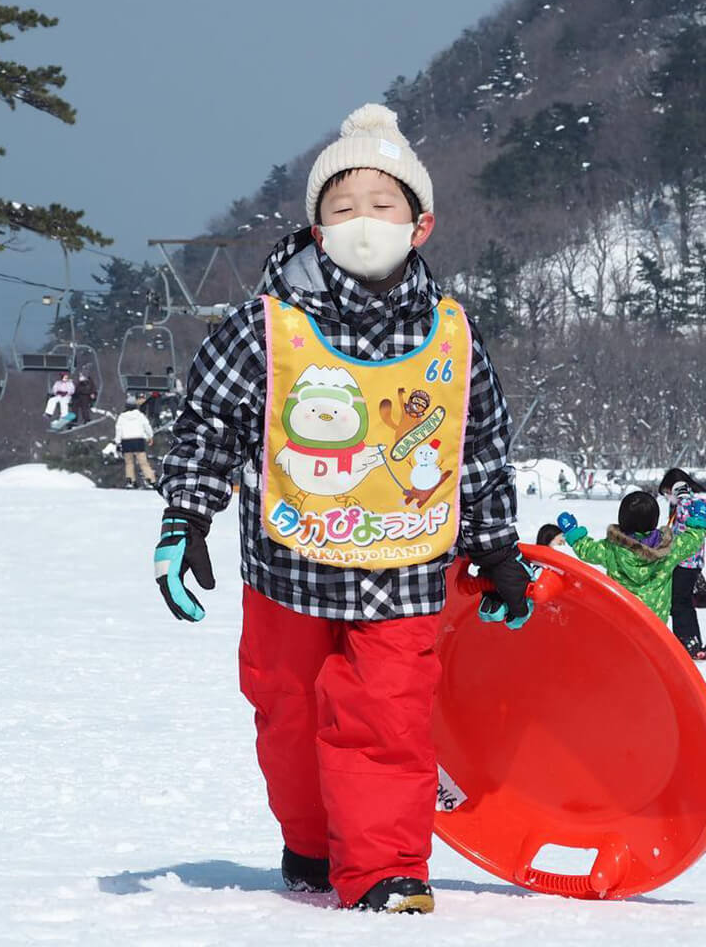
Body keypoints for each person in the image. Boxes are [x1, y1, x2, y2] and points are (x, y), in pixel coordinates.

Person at [154, 104, 526, 914]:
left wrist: (498, 551)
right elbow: (209, 422)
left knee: (387, 720)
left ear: (421, 224)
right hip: (289, 562)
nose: (363, 221)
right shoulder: (267, 328)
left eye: (382, 205)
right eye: (342, 207)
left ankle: (386, 870)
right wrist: (186, 518)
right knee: (289, 713)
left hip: (404, 564)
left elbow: (482, 445)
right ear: (317, 230)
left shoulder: (452, 334)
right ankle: (315, 844)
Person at [554, 491, 706, 635]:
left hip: (620, 622)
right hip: (655, 625)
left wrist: (572, 531)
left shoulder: (612, 549)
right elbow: (693, 540)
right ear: (655, 519)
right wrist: (699, 520)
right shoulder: (670, 549)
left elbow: (587, 550)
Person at [659, 467, 706, 660]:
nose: (669, 498)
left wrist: (683, 497)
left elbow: (687, 520)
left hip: (686, 561)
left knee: (679, 602)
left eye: (669, 493)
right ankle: (690, 641)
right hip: (685, 560)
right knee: (682, 601)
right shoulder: (688, 502)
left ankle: (687, 642)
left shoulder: (692, 501)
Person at [114, 399, 156, 489]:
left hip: (126, 441)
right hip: (138, 440)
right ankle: (150, 480)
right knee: (143, 462)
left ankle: (131, 481)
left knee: (129, 463)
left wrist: (117, 442)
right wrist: (150, 436)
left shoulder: (122, 417)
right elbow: (147, 426)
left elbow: (119, 429)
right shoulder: (140, 416)